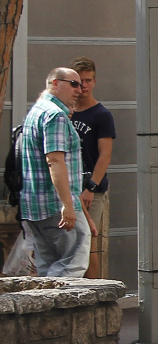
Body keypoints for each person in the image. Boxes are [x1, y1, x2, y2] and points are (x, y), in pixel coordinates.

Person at [17, 68, 91, 277]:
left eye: (81, 84)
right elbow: (55, 161)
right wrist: (67, 205)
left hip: (34, 205)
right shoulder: (55, 115)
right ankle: (60, 309)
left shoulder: (37, 110)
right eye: (73, 84)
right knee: (71, 265)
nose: (80, 89)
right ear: (55, 83)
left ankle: (43, 308)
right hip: (55, 204)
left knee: (47, 265)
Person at [70, 56, 115, 279]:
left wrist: (91, 186)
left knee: (87, 238)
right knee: (69, 241)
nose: (83, 86)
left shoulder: (101, 115)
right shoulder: (65, 112)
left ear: (94, 82)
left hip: (90, 188)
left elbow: (105, 155)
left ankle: (94, 288)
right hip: (67, 186)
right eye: (78, 82)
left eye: (88, 81)